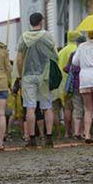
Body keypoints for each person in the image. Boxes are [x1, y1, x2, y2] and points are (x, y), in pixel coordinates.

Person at [16, 12, 58, 148]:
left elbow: (19, 59)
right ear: (41, 21)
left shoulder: (24, 37)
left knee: (30, 107)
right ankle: (49, 138)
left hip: (28, 75)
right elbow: (55, 55)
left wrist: (20, 76)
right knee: (47, 107)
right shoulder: (47, 36)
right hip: (44, 75)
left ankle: (32, 138)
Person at [72, 30, 93, 144]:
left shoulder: (82, 46)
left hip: (85, 77)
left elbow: (75, 61)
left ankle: (87, 134)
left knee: (88, 109)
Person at [54, 31, 81, 139]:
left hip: (63, 84)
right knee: (76, 108)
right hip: (73, 83)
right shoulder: (77, 50)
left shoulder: (61, 52)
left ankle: (66, 132)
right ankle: (76, 131)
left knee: (67, 109)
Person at [64, 35, 86, 139]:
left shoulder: (74, 54)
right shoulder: (88, 54)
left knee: (77, 109)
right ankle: (86, 132)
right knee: (88, 109)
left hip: (76, 85)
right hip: (87, 84)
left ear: (77, 44)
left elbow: (68, 68)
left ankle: (77, 132)